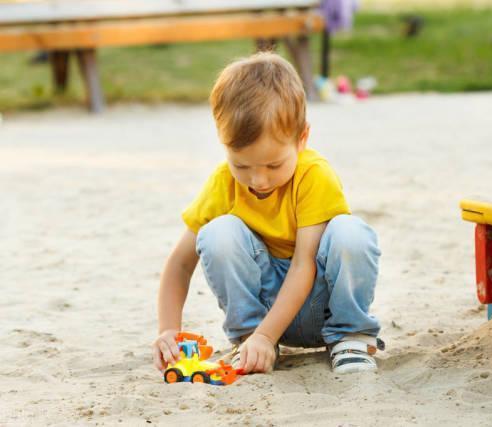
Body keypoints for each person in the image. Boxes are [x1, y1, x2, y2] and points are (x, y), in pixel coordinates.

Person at [151, 52, 382, 375]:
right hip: (262, 318)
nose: (258, 180)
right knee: (219, 233)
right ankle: (249, 341)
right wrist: (168, 330)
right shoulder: (224, 183)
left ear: (302, 139)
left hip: (323, 307)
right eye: (241, 165)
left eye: (274, 165)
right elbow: (179, 262)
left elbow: (304, 265)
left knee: (350, 232)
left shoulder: (314, 175)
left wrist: (266, 334)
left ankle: (351, 337)